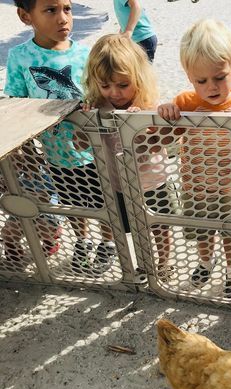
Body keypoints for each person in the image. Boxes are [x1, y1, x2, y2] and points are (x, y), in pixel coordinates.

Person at [157, 19, 231, 297]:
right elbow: (166, 140)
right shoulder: (186, 102)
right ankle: (206, 263)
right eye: (201, 80)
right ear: (189, 76)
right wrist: (168, 114)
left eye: (219, 77)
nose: (211, 87)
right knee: (202, 232)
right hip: (195, 186)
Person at [3, 0, 114, 276]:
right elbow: (16, 103)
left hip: (94, 150)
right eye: (51, 10)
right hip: (55, 155)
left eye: (67, 9)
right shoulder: (20, 56)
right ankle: (82, 241)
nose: (63, 18)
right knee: (73, 202)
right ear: (25, 16)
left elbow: (101, 96)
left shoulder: (86, 55)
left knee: (104, 202)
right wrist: (25, 151)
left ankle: (108, 244)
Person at [82, 33, 173, 280]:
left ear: (139, 80)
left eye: (123, 85)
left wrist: (141, 125)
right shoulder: (99, 108)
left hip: (154, 183)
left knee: (160, 227)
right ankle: (136, 265)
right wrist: (87, 121)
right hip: (119, 184)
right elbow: (81, 144)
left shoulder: (148, 106)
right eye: (105, 85)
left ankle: (163, 264)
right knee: (125, 227)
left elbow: (160, 146)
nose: (114, 93)